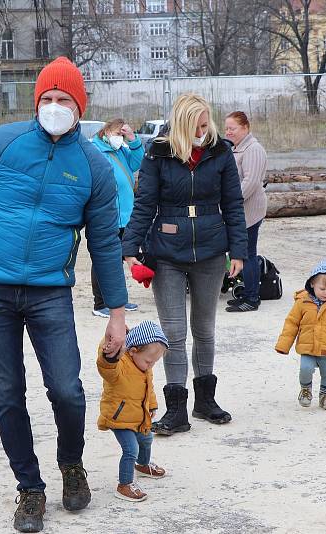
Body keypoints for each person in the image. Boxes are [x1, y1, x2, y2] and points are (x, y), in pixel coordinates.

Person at [0, 56, 128, 534]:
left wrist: (118, 312)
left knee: (67, 389)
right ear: (36, 102)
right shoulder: (2, 143)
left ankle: (71, 465)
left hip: (49, 294)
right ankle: (30, 488)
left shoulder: (94, 167)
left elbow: (105, 243)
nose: (55, 107)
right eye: (48, 99)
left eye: (64, 100)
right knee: (7, 394)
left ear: (80, 107)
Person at [121, 93, 248, 435]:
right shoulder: (157, 154)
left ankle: (205, 401)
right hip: (168, 253)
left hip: (210, 251)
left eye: (206, 125)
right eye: (196, 127)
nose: (202, 132)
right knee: (174, 332)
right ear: (180, 126)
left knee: (204, 328)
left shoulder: (220, 151)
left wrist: (239, 251)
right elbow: (144, 203)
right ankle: (176, 409)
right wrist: (129, 244)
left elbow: (234, 204)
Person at [97, 321, 169, 502]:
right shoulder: (119, 365)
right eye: (148, 361)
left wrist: (152, 405)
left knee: (147, 439)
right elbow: (106, 368)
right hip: (119, 417)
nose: (150, 365)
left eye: (154, 362)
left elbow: (148, 389)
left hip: (139, 415)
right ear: (133, 350)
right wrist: (109, 350)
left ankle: (143, 465)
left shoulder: (145, 368)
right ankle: (125, 484)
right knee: (131, 449)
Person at [275, 260, 326, 410]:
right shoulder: (302, 302)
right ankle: (305, 390)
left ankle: (325, 396)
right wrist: (283, 345)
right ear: (312, 284)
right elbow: (292, 323)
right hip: (307, 346)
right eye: (322, 288)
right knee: (305, 368)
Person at [90, 118, 145, 318]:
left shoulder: (121, 150)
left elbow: (138, 161)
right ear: (106, 133)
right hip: (107, 215)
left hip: (124, 216)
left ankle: (118, 300)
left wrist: (132, 138)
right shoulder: (96, 151)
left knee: (120, 259)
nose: (120, 138)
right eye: (118, 134)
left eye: (122, 134)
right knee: (103, 260)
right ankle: (100, 302)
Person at [224, 111, 268, 312]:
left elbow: (250, 182)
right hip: (239, 211)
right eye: (226, 128)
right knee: (241, 253)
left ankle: (252, 298)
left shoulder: (253, 149)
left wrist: (231, 202)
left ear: (245, 128)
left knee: (248, 253)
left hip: (249, 211)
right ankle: (247, 292)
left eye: (232, 128)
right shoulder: (238, 149)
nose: (228, 132)